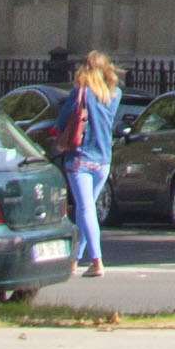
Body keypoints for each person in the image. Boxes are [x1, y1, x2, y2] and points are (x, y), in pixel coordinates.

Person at [50, 51, 123, 277]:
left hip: (80, 157)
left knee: (85, 209)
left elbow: (62, 122)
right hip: (103, 159)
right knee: (87, 209)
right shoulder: (115, 93)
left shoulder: (80, 91)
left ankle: (97, 260)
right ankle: (75, 260)